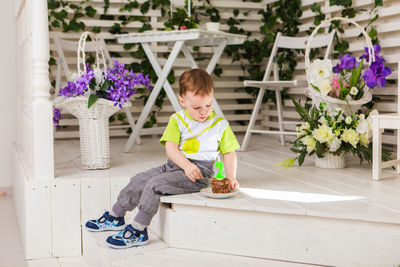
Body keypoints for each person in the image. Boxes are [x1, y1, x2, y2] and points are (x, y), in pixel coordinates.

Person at [85, 68, 240, 249]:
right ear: (182, 101)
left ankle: (138, 230)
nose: (203, 112)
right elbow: (171, 149)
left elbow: (229, 153)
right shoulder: (178, 120)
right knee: (139, 180)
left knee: (154, 185)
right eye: (196, 107)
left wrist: (231, 177)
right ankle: (116, 215)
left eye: (208, 105)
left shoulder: (220, 125)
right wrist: (186, 165)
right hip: (175, 166)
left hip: (198, 174)